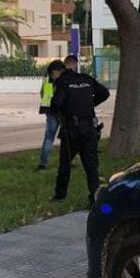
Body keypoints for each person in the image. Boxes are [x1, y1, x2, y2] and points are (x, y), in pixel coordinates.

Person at [51, 54, 110, 206]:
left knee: (65, 164)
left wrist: (65, 110)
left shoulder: (62, 81)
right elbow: (105, 93)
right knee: (91, 166)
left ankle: (60, 195)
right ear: (75, 65)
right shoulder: (86, 78)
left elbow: (56, 103)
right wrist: (90, 105)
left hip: (72, 130)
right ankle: (95, 197)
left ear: (62, 68)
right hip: (90, 129)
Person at [37, 59, 67, 170]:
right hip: (56, 113)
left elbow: (44, 96)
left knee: (51, 138)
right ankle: (43, 163)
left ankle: (43, 164)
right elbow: (51, 100)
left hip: (51, 113)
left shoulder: (48, 81)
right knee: (53, 138)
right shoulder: (54, 82)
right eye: (58, 72)